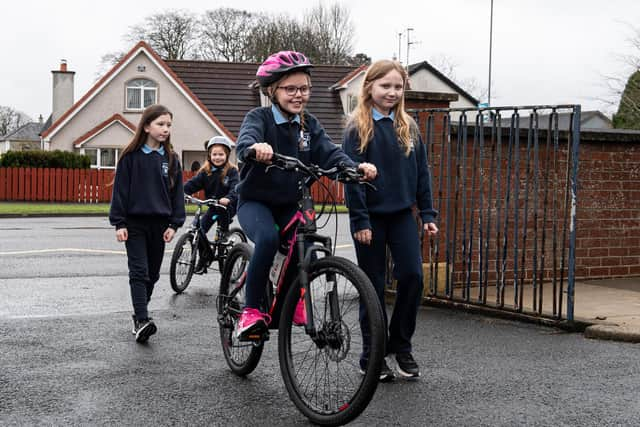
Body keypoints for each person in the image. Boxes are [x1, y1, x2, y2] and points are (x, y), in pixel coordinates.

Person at [234, 50, 377, 339]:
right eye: (290, 89)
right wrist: (255, 149)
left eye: (304, 88)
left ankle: (292, 299)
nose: (299, 95)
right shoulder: (259, 117)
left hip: (290, 202)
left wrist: (354, 168)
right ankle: (249, 312)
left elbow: (330, 152)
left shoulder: (308, 124)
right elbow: (245, 141)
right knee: (269, 238)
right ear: (272, 91)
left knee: (307, 243)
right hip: (256, 202)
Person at [343, 60, 439, 381]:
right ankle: (372, 355)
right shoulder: (357, 128)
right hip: (370, 218)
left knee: (413, 276)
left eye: (398, 87)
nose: (392, 92)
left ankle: (400, 346)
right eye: (386, 86)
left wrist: (427, 213)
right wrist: (359, 221)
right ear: (369, 87)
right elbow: (351, 178)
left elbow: (421, 172)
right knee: (372, 285)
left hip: (401, 216)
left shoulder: (408, 127)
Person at [109, 104, 186, 343]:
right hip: (133, 224)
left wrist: (174, 224)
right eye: (160, 124)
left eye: (168, 125)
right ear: (146, 126)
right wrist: (119, 223)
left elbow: (176, 195)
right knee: (139, 271)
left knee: (152, 275)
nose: (165, 129)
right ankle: (143, 319)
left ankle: (139, 317)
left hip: (160, 226)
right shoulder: (130, 158)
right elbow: (120, 192)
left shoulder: (171, 159)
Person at [183, 136, 239, 272]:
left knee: (221, 235)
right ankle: (204, 257)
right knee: (200, 230)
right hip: (213, 207)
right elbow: (192, 185)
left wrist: (228, 198)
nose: (217, 157)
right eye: (214, 154)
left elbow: (235, 188)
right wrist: (181, 193)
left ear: (227, 155)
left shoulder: (231, 171)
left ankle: (223, 248)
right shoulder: (205, 172)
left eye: (221, 154)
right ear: (209, 155)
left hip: (227, 207)